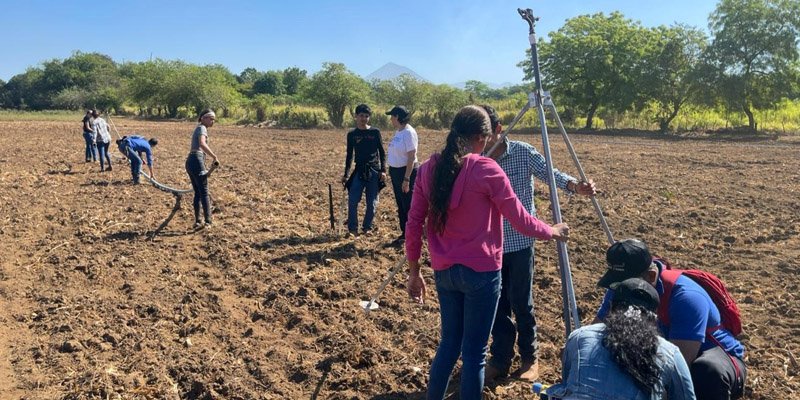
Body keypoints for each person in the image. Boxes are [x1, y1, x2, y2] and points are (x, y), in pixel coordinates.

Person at [405, 105, 570, 400]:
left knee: (448, 345)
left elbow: (414, 221)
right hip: (481, 273)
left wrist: (414, 273)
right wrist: (552, 231)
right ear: (482, 137)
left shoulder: (429, 168)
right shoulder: (486, 169)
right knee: (475, 355)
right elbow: (519, 218)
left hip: (444, 272)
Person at [480, 105, 597, 382]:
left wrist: (574, 186)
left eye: (486, 134)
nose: (482, 141)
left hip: (520, 240)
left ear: (498, 130)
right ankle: (500, 358)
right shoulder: (476, 159)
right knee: (497, 304)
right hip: (489, 244)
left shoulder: (521, 152)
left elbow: (550, 172)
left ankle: (530, 359)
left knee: (522, 302)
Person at [595, 239, 746, 400]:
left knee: (706, 371)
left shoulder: (686, 298)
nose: (618, 290)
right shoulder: (622, 287)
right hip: (660, 354)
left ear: (651, 276)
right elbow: (595, 334)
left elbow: (678, 364)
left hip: (709, 361)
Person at [546, 278, 696, 399]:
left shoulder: (581, 337)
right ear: (653, 319)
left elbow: (567, 380)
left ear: (611, 308)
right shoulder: (668, 352)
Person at [341, 104, 386, 235]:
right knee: (353, 200)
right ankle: (352, 228)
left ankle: (367, 228)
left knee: (371, 202)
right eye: (361, 115)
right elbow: (349, 155)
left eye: (366, 116)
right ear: (356, 116)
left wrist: (383, 170)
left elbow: (382, 153)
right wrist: (346, 174)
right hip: (359, 170)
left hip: (373, 170)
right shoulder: (352, 134)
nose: (364, 118)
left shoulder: (375, 132)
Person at [386, 105, 418, 244]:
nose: (391, 119)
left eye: (392, 116)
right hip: (396, 172)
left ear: (397, 117)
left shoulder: (408, 132)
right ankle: (404, 233)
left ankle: (411, 234)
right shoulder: (399, 131)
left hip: (405, 172)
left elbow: (411, 156)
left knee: (408, 204)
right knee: (401, 203)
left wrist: (406, 179)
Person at [186, 109, 220, 229]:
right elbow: (202, 144)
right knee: (204, 192)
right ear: (202, 118)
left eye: (213, 119)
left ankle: (198, 221)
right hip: (197, 159)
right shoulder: (202, 128)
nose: (212, 121)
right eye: (210, 118)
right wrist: (214, 156)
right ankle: (208, 222)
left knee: (198, 193)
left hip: (190, 162)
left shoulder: (199, 128)